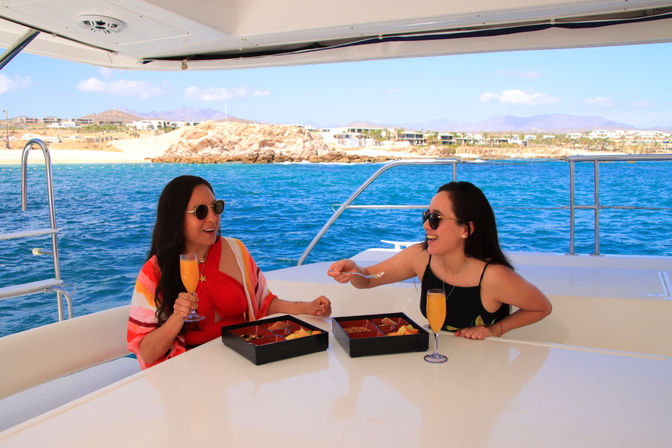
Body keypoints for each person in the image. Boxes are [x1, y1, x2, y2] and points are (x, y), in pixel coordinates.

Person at [127, 175, 331, 369]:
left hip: (245, 360)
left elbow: (264, 304)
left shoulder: (236, 251)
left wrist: (308, 307)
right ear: (176, 218)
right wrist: (177, 318)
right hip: (190, 372)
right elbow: (147, 353)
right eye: (200, 212)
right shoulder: (155, 271)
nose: (213, 218)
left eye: (216, 208)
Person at [328, 181, 551, 339]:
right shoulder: (420, 257)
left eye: (435, 219)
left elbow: (541, 308)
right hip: (435, 357)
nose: (426, 225)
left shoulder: (493, 276)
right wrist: (353, 270)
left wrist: (494, 330)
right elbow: (368, 278)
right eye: (426, 216)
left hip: (483, 369)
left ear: (466, 229)